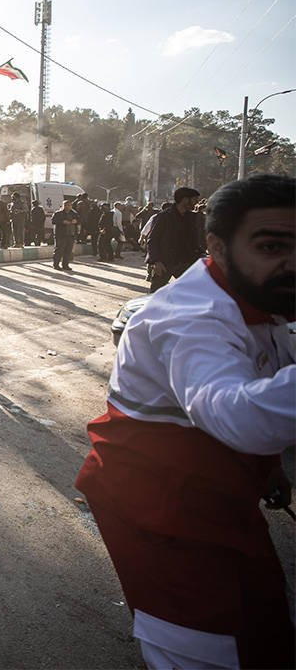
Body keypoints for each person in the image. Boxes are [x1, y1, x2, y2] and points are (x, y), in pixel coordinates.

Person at [75, 174, 295, 670]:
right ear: (216, 246)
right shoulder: (192, 317)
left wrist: (269, 467)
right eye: (271, 245)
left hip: (221, 487)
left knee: (262, 617)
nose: (292, 261)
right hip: (159, 502)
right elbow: (236, 412)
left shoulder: (260, 295)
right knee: (201, 640)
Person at [146, 186, 204, 291]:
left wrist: (201, 255)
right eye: (195, 199)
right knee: (155, 295)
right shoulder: (164, 217)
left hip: (185, 263)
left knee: (192, 292)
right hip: (164, 263)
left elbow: (194, 242)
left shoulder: (192, 218)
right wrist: (156, 261)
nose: (197, 203)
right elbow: (153, 239)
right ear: (185, 199)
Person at [52, 200, 80, 271]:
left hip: (71, 234)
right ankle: (56, 264)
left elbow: (79, 220)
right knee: (59, 250)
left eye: (69, 205)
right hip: (61, 235)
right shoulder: (58, 213)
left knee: (68, 251)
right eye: (66, 205)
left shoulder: (74, 213)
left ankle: (65, 265)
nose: (67, 207)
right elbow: (53, 221)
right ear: (63, 206)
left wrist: (76, 221)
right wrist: (62, 222)